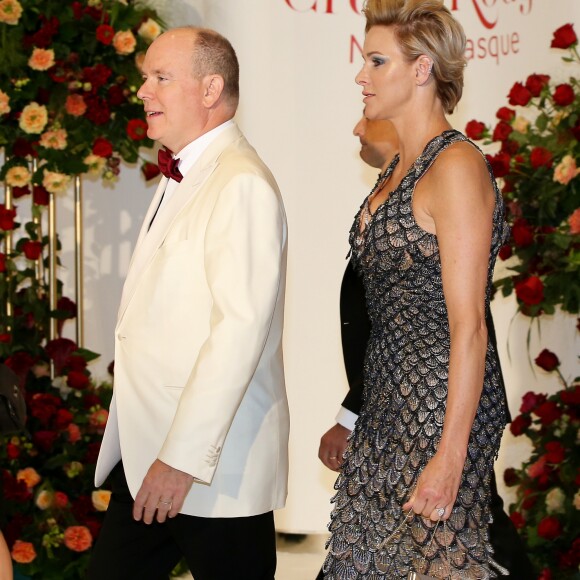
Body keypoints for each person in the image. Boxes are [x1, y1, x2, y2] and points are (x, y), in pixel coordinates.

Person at [88, 26, 289, 580]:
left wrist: (179, 459)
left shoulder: (240, 182)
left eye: (160, 77)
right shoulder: (188, 172)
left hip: (210, 468)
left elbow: (238, 334)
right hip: (152, 452)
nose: (144, 92)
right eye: (144, 78)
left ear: (209, 89)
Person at [322, 0, 513, 576]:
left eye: (377, 62)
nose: (362, 75)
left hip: (438, 408)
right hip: (386, 402)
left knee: (443, 566)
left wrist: (450, 456)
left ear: (423, 69)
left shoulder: (455, 166)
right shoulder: (398, 167)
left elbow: (470, 325)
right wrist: (358, 413)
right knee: (359, 565)